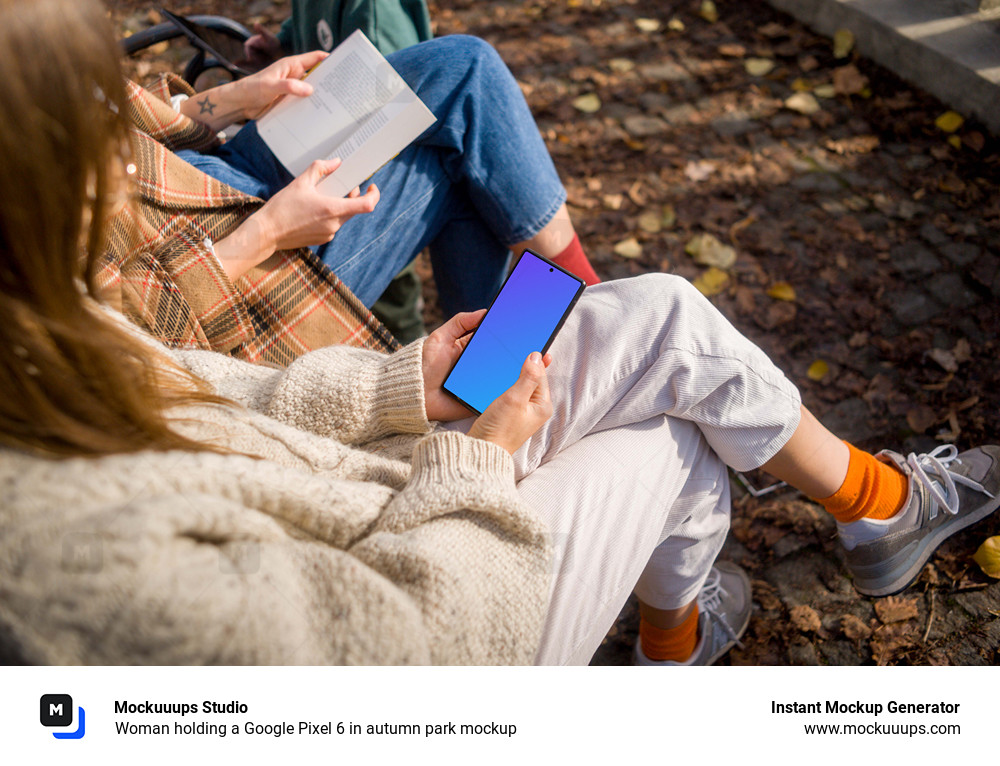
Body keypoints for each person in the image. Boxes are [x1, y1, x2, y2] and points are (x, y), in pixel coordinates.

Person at [2, 0, 999, 666]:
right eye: (93, 149)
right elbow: (415, 654)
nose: (115, 151)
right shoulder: (63, 559)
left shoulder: (40, 343)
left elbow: (206, 390)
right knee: (672, 424)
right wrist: (476, 463)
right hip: (434, 580)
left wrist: (397, 389)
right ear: (42, 201)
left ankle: (806, 550)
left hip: (358, 451)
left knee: (467, 100)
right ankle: (832, 535)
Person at [105, 25, 600, 367]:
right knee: (455, 162)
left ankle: (506, 360)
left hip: (211, 168)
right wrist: (268, 231)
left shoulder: (30, 82)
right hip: (230, 271)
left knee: (464, 67)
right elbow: (116, 328)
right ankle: (547, 338)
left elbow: (119, 122)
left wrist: (236, 98)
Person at [242, 0, 437, 345]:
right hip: (320, 150)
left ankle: (410, 341)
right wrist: (281, 46)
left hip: (365, 168)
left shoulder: (375, 12)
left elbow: (397, 99)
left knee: (395, 298)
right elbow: (305, 28)